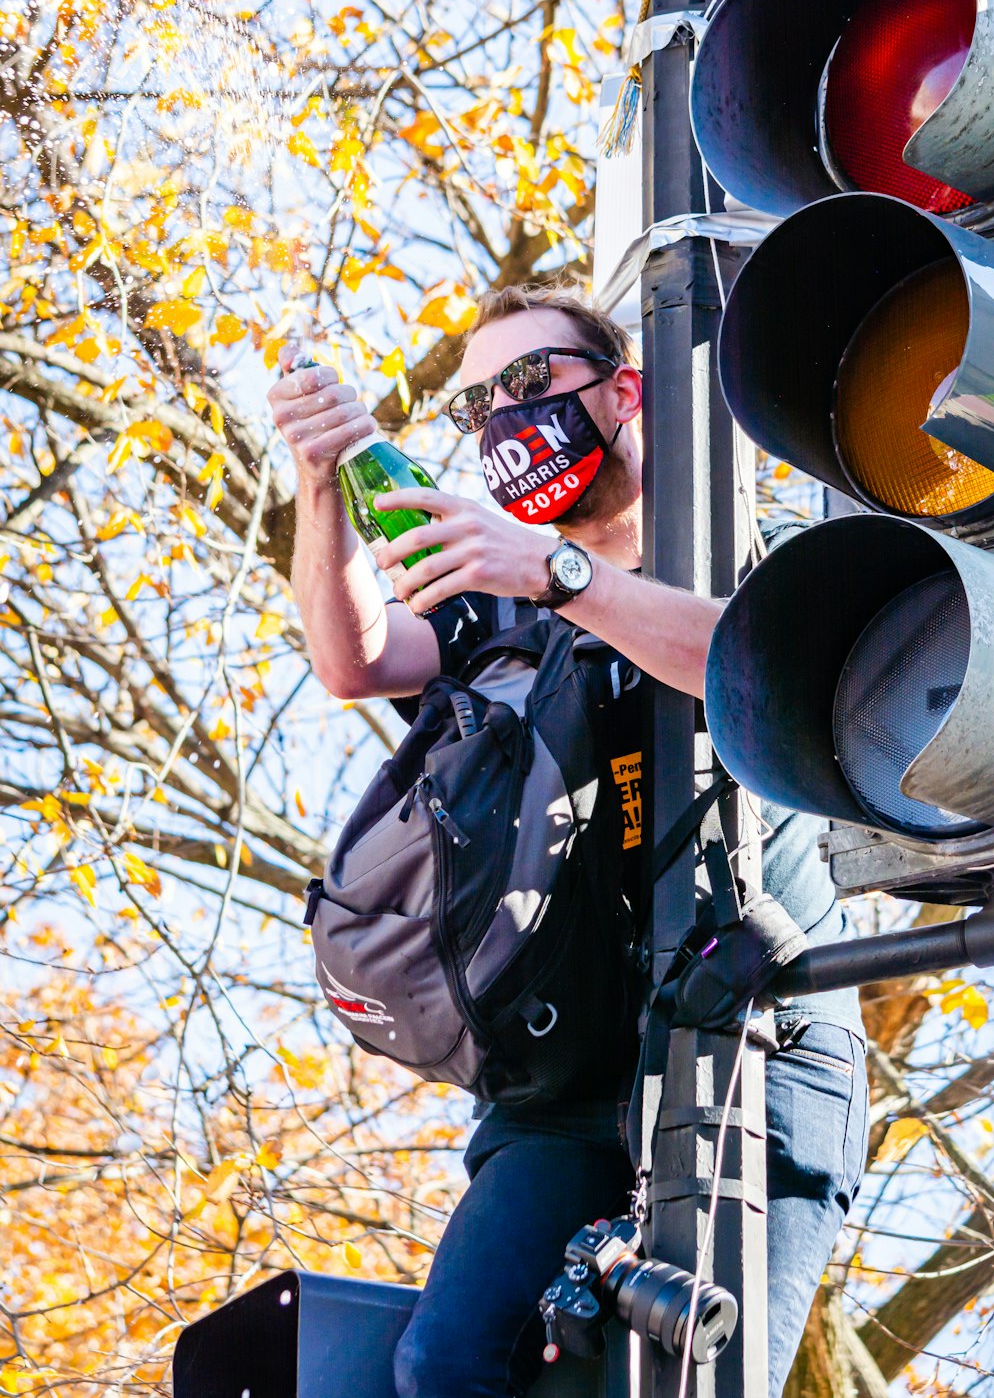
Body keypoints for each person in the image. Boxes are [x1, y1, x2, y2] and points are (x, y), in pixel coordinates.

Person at [268, 285, 868, 1398]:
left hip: (757, 1039)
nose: (505, 415)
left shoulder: (737, 540)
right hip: (563, 1072)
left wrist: (559, 573)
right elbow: (355, 660)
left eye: (531, 383)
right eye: (480, 399)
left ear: (621, 391)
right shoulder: (492, 598)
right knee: (447, 1367)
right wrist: (322, 486)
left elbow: (757, 675)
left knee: (697, 1382)